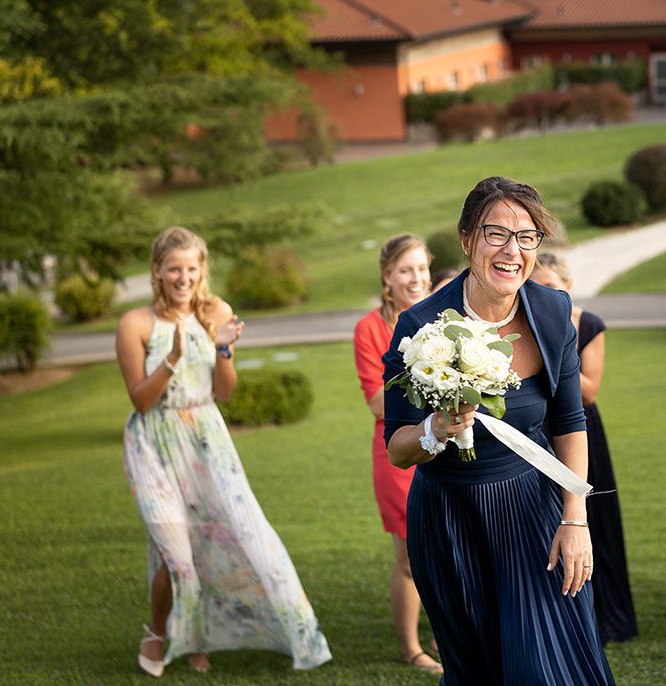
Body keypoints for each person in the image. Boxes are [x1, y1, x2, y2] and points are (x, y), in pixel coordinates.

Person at [383, 177, 615, 684]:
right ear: (467, 239)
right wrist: (436, 428)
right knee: (479, 670)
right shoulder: (419, 326)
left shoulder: (552, 313)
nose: (514, 251)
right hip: (449, 520)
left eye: (528, 237)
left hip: (533, 510)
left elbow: (570, 423)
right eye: (497, 234)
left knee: (546, 664)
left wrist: (575, 519)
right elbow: (398, 449)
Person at [117, 227, 331, 677]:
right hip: (153, 442)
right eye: (174, 269)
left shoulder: (215, 311)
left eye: (192, 269)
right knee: (175, 547)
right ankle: (157, 632)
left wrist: (223, 349)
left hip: (206, 440)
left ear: (202, 270)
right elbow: (140, 399)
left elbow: (224, 390)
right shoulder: (134, 324)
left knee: (238, 537)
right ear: (157, 270)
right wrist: (172, 358)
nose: (183, 277)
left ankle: (200, 637)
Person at [533, 252, 638, 643]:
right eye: (537, 288)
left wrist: (553, 360)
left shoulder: (588, 324)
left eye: (552, 288)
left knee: (591, 518)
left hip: (580, 429)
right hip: (537, 431)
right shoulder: (527, 325)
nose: (545, 295)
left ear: (568, 287)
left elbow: (590, 390)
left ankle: (605, 613)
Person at [352, 234, 442, 674]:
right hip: (398, 452)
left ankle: (447, 636)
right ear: (387, 277)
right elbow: (375, 401)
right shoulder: (370, 328)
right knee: (409, 560)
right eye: (406, 270)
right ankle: (411, 648)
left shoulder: (443, 314)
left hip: (447, 447)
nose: (416, 278)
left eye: (422, 269)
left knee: (452, 550)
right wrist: (438, 396)